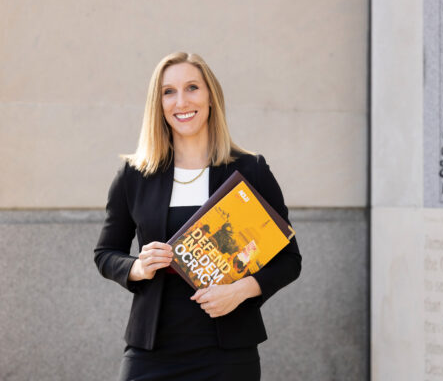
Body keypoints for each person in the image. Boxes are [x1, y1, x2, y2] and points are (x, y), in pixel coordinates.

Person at [94, 52, 302, 381]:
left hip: (228, 355)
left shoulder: (251, 170)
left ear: (210, 97)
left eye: (192, 87)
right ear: (158, 104)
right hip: (151, 353)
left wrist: (242, 289)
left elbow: (289, 259)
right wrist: (137, 266)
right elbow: (105, 254)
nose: (181, 101)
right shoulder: (134, 176)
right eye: (168, 91)